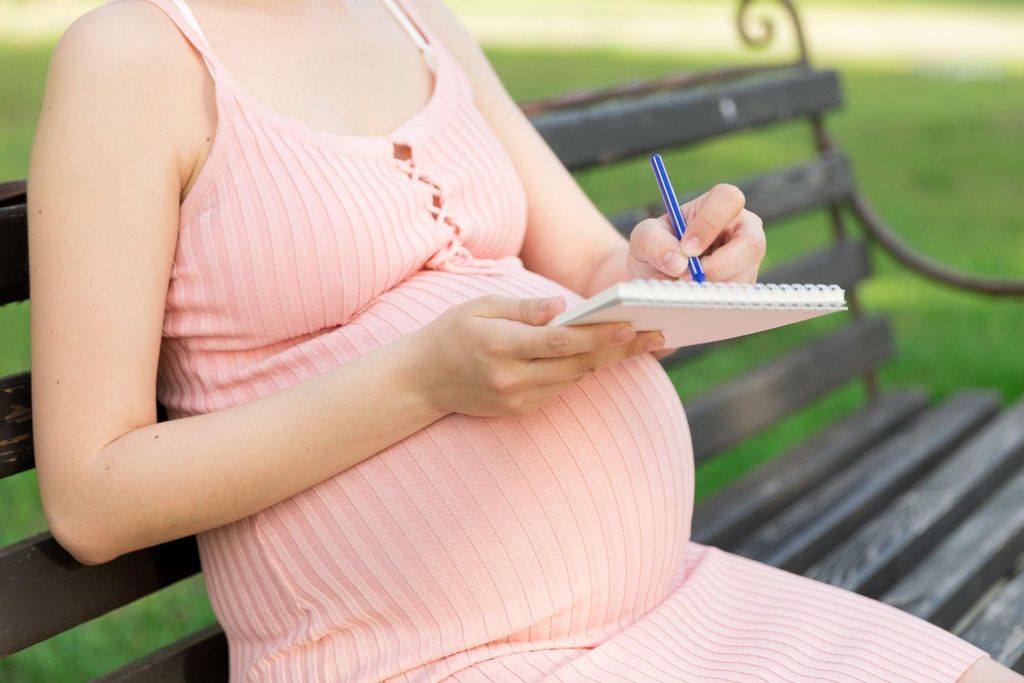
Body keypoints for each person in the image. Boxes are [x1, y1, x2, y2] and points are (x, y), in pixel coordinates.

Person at [26, 0, 1021, 681]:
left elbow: (593, 264)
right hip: (430, 657)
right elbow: (93, 497)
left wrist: (671, 269)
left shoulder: (414, 20)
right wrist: (420, 383)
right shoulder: (134, 58)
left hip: (670, 605)